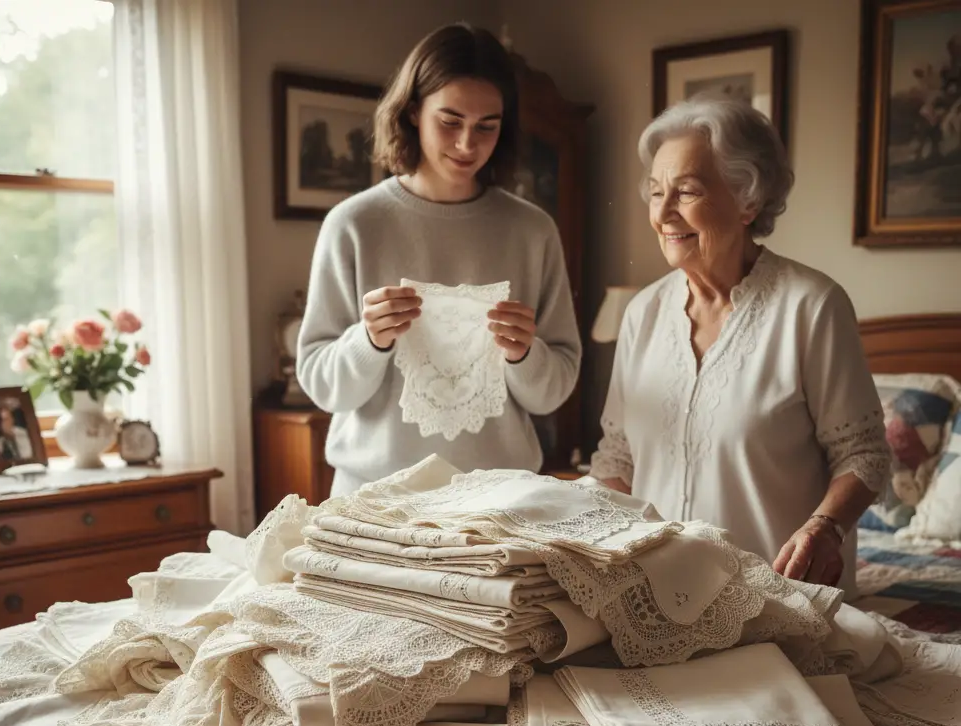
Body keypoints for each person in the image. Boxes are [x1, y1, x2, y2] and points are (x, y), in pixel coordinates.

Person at [588, 94, 891, 597]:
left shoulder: (811, 307)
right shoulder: (642, 313)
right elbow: (617, 460)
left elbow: (864, 455)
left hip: (777, 600)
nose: (663, 213)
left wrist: (825, 528)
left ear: (748, 200)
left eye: (685, 191)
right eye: (655, 191)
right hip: (653, 599)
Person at [296, 23, 581, 497]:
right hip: (374, 502)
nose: (468, 144)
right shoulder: (353, 224)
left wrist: (524, 353)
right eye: (450, 121)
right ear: (412, 112)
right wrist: (370, 341)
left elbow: (554, 391)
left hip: (500, 503)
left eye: (486, 127)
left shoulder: (533, 232)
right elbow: (323, 387)